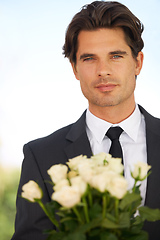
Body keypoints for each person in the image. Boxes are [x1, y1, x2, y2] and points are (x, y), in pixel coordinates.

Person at [11, 1, 160, 240]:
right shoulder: (41, 155)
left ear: (138, 63)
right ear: (75, 68)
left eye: (116, 56)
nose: (103, 70)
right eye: (90, 58)